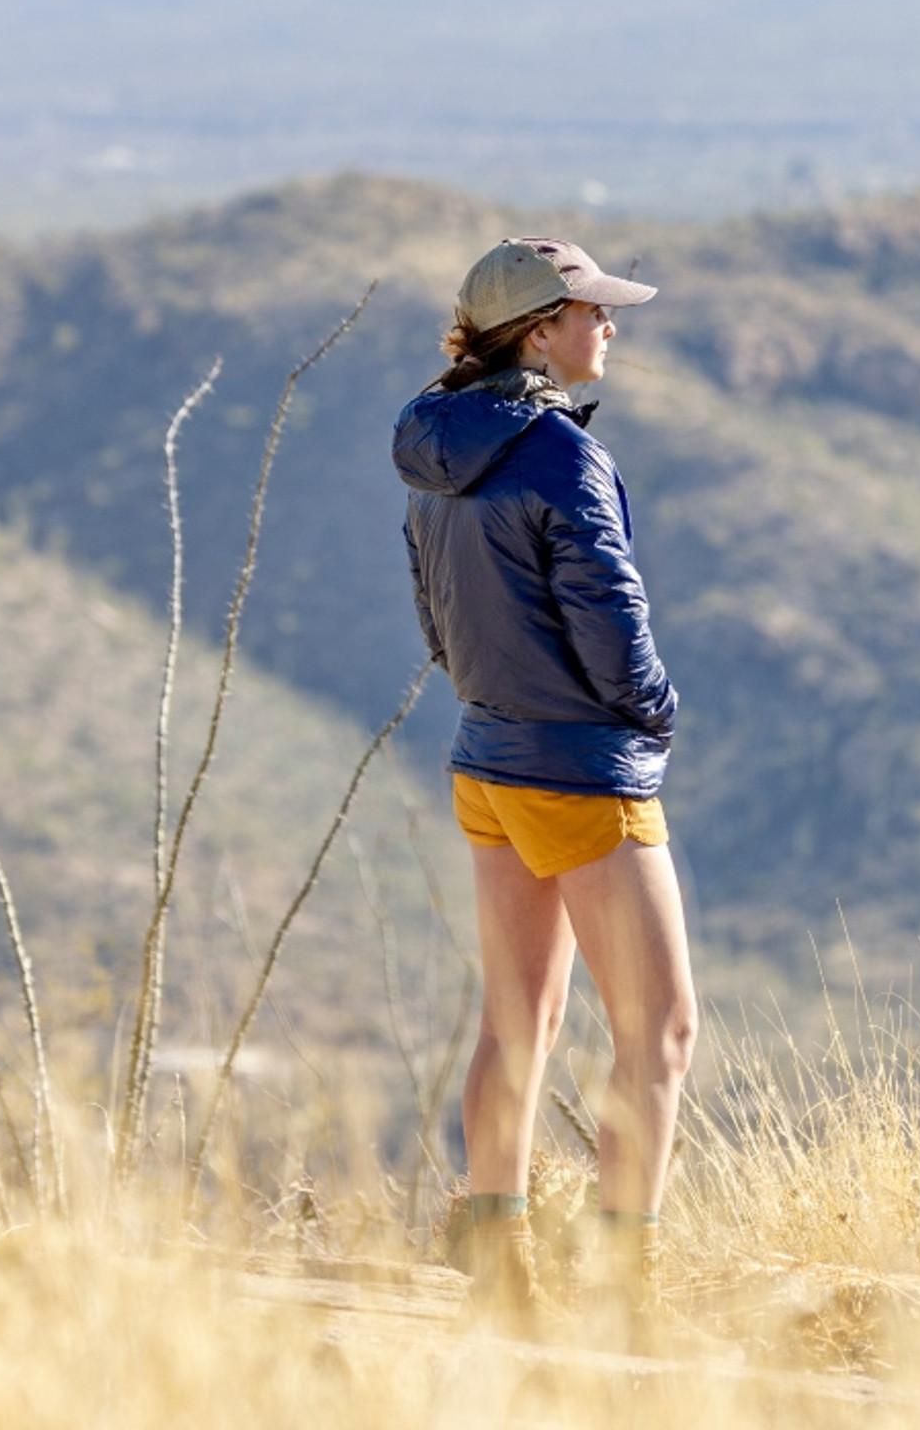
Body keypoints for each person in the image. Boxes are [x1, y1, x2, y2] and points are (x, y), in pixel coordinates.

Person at [392, 237, 696, 1335]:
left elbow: (434, 618)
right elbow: (612, 620)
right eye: (591, 312)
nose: (607, 327)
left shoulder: (436, 453)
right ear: (537, 331)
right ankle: (622, 1291)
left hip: (485, 756)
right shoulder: (560, 458)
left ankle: (491, 1237)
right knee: (658, 1029)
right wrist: (652, 711)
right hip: (578, 770)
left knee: (518, 1015)